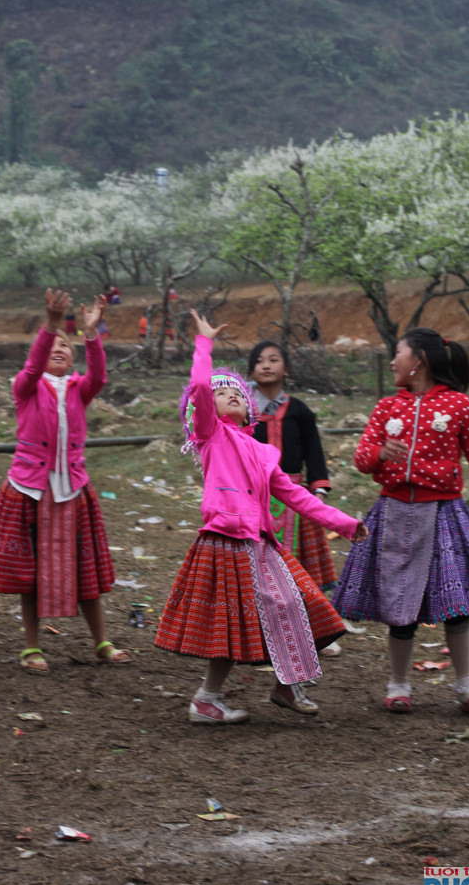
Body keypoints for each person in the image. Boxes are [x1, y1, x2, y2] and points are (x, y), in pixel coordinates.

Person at [155, 309, 368, 724]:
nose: (230, 393)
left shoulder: (261, 452)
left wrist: (343, 522)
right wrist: (204, 344)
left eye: (236, 390)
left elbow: (298, 497)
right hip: (224, 542)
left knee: (302, 603)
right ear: (203, 409)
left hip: (260, 544)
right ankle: (207, 699)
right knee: (232, 626)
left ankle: (285, 685)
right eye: (221, 392)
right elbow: (199, 385)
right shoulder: (211, 436)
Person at [332, 327, 469, 716]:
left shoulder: (459, 406)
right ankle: (398, 686)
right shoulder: (386, 407)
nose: (392, 360)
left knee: (457, 605)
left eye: (397, 353)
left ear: (418, 361)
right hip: (394, 516)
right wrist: (382, 453)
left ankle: (468, 688)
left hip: (444, 517)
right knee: (399, 605)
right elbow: (363, 460)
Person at [0, 288, 129, 672]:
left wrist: (90, 334)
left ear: (73, 358)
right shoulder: (25, 387)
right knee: (30, 572)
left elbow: (99, 374)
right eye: (52, 346)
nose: (59, 348)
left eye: (66, 347)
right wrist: (52, 324)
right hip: (29, 488)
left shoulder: (80, 390)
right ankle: (31, 647)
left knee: (85, 569)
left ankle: (101, 642)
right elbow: (31, 367)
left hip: (72, 489)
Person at [248, 340, 342, 657]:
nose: (266, 365)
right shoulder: (242, 409)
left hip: (294, 499)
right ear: (251, 370)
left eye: (274, 359)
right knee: (256, 566)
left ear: (286, 369)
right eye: (259, 360)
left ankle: (311, 630)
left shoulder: (300, 410)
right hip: (253, 497)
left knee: (299, 568)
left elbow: (314, 450)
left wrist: (319, 488)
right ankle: (259, 633)